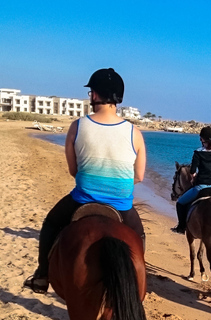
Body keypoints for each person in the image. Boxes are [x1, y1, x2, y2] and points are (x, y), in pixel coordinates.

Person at [24, 68, 147, 294]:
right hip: (121, 204)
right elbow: (138, 176)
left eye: (91, 92)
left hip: (82, 200)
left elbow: (73, 169)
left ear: (95, 95)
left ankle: (42, 274)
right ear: (118, 97)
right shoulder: (134, 133)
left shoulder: (78, 126)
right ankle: (138, 282)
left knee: (51, 224)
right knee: (139, 237)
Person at [171, 126, 211, 234]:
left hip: (200, 187)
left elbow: (193, 171)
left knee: (180, 203)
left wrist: (194, 177)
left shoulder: (198, 152)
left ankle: (181, 227)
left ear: (201, 139)